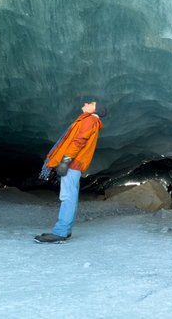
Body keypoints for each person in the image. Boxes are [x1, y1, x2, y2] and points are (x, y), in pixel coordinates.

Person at [35, 101, 107, 243]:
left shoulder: (89, 120)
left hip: (72, 163)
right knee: (70, 196)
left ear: (95, 108)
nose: (86, 103)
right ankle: (64, 231)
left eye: (91, 103)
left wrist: (65, 161)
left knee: (67, 197)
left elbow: (78, 141)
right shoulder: (90, 120)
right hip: (75, 163)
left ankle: (60, 233)